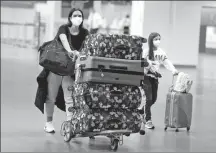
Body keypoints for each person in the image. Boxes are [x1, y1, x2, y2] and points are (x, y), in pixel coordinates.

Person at [34, 8, 89, 133]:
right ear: (70, 18)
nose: (78, 18)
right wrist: (70, 51)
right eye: (75, 15)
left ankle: (70, 125)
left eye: (80, 15)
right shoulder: (63, 28)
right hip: (56, 67)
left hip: (71, 69)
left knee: (69, 97)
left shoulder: (85, 32)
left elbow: (88, 46)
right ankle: (48, 123)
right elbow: (63, 39)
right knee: (51, 96)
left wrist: (80, 54)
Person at [141, 32, 179, 129]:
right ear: (151, 40)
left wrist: (173, 70)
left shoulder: (161, 52)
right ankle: (148, 120)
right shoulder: (145, 52)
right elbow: (141, 63)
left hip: (155, 78)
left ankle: (142, 110)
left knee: (153, 99)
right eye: (156, 39)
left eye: (159, 39)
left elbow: (167, 62)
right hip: (145, 77)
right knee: (149, 99)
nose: (158, 41)